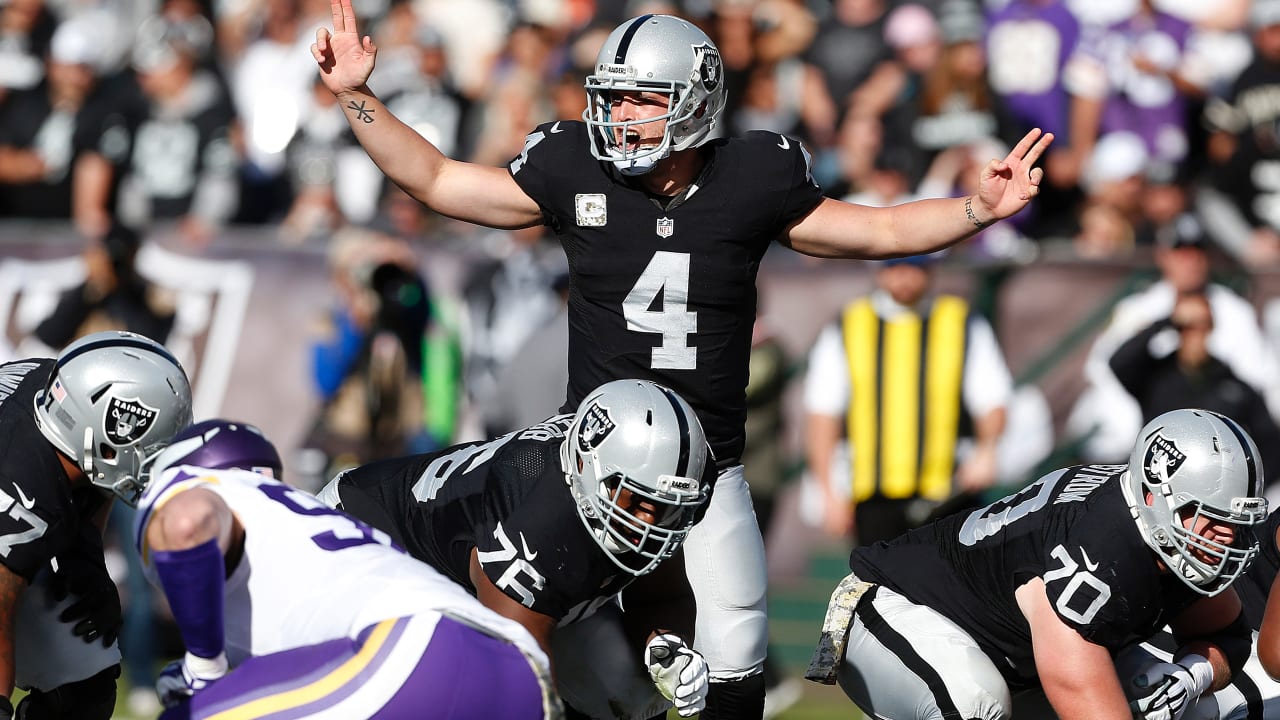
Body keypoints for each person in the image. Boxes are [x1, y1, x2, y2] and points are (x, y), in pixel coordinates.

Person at [311, 7, 1053, 715]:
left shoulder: (753, 174)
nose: (621, 115)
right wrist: (358, 98)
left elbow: (880, 230)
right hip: (594, 469)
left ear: (696, 103)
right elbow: (438, 180)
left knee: (734, 662)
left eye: (642, 99)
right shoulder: (576, 166)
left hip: (708, 467)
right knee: (600, 683)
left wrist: (975, 211)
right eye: (614, 98)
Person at [806, 407, 1268, 720]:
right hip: (896, 608)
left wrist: (1191, 676)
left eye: (1234, 523)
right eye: (1207, 517)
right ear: (1153, 494)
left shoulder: (1164, 533)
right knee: (975, 705)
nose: (1223, 538)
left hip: (1017, 654)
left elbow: (1225, 636)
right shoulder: (1095, 555)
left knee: (1198, 703)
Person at [318, 378, 714, 719]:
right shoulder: (536, 519)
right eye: (635, 500)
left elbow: (664, 596)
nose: (647, 521)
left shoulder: (622, 495)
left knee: (631, 689)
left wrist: (664, 645)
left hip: (486, 580)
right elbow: (519, 686)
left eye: (664, 508)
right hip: (368, 543)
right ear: (588, 468)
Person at [132, 419, 558, 719]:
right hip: (514, 673)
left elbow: (187, 523)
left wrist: (203, 670)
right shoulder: (303, 531)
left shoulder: (192, 486)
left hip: (413, 656)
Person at [0, 329, 192, 719]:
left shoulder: (61, 399)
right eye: (150, 451)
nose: (156, 467)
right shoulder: (20, 480)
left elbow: (94, 478)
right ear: (101, 439)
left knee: (85, 676)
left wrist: (85, 556)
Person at [804, 253, 1013, 545]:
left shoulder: (961, 321)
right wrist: (828, 491)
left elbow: (992, 397)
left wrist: (987, 449)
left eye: (915, 268)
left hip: (949, 491)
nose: (904, 278)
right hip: (872, 495)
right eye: (895, 267)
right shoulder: (849, 324)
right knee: (880, 587)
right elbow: (822, 412)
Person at [1110, 289, 1280, 483]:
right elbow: (1118, 363)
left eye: (1203, 324)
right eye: (1187, 326)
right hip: (1154, 480)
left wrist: (1247, 485)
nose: (1195, 332)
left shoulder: (1233, 385)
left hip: (1209, 489)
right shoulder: (1155, 376)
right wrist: (1166, 322)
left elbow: (1272, 444)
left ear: (1211, 327)